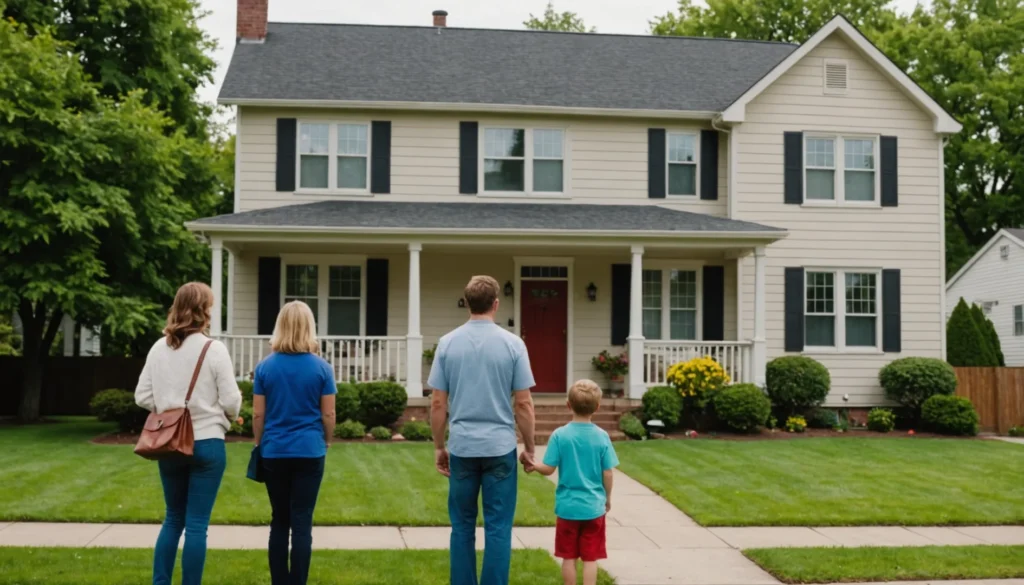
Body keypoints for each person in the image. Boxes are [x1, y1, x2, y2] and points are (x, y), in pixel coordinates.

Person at [428, 275, 537, 585]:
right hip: (501, 448)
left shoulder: (448, 343)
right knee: (498, 528)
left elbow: (438, 403)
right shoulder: (513, 344)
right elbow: (524, 404)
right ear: (496, 304)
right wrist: (529, 447)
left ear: (467, 304)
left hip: (462, 446)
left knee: (461, 527)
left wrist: (439, 446)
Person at [135, 282, 243, 585]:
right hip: (207, 441)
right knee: (197, 525)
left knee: (173, 519)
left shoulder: (159, 348)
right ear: (203, 310)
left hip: (169, 444)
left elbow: (141, 396)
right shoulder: (214, 348)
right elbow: (232, 400)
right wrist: (226, 418)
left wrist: (169, 407)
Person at [252, 301, 337, 585]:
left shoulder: (264, 368)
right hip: (310, 450)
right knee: (302, 521)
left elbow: (258, 414)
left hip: (274, 451)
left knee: (280, 520)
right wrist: (326, 441)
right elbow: (328, 413)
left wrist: (259, 443)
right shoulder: (322, 368)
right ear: (309, 327)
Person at [524, 379, 618, 585]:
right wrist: (607, 498)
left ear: (568, 405)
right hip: (594, 507)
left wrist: (532, 464)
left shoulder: (560, 435)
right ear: (597, 407)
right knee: (590, 558)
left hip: (567, 508)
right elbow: (608, 473)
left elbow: (548, 469)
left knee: (568, 557)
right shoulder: (602, 437)